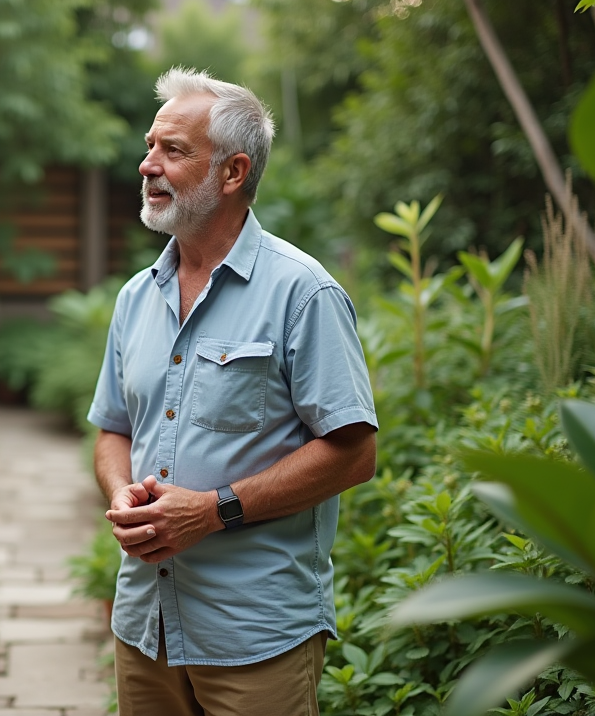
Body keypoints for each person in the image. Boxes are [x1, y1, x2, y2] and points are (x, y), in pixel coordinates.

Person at [88, 67, 379, 716]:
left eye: (173, 150)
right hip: (145, 626)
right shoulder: (137, 297)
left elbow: (355, 454)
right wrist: (119, 494)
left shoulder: (303, 293)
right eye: (149, 146)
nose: (147, 165)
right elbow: (112, 428)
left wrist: (214, 510)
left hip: (255, 636)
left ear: (233, 171)